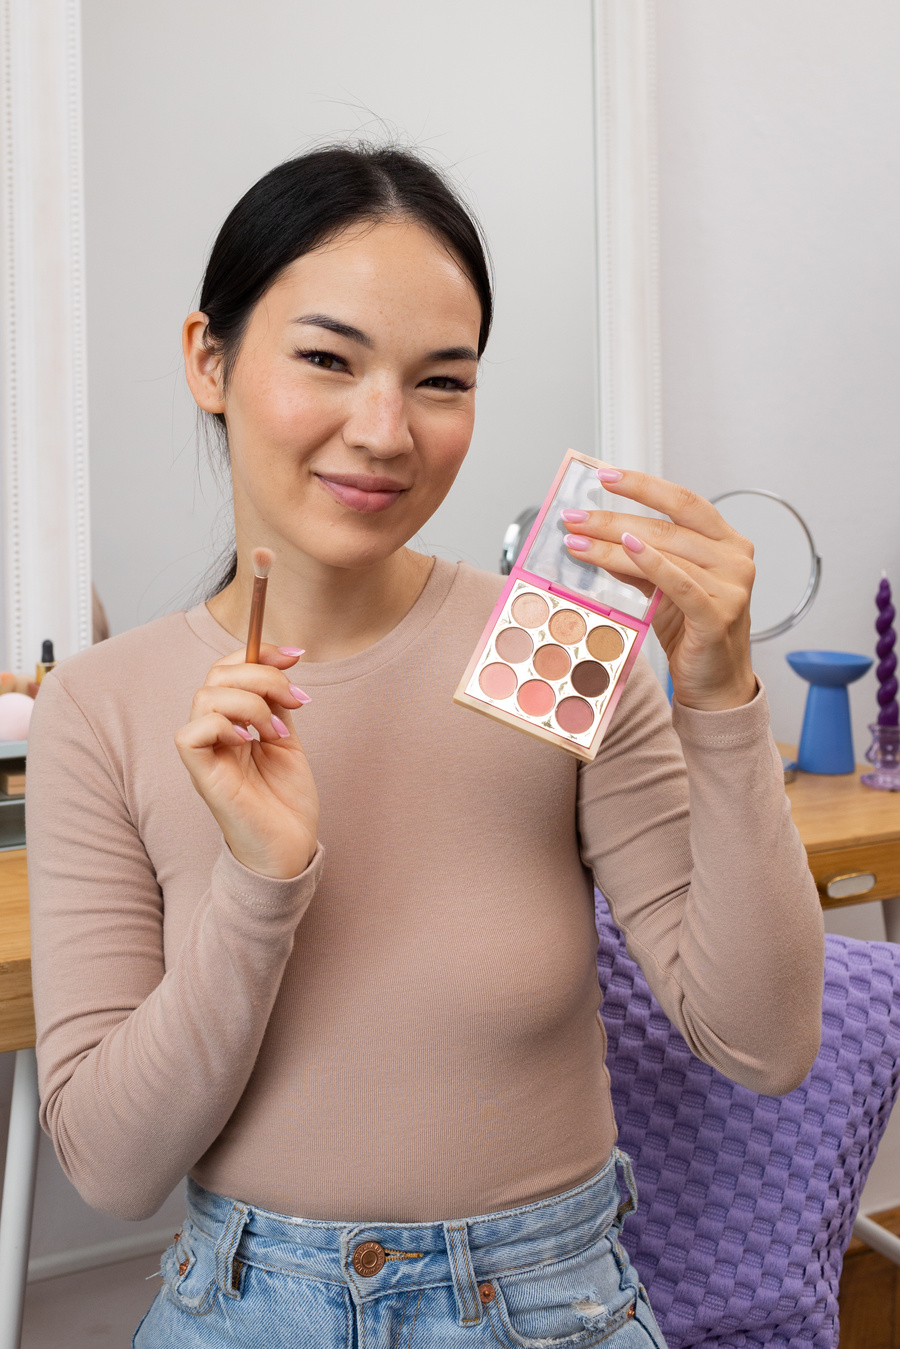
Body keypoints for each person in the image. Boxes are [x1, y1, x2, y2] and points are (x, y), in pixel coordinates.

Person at [26, 145, 825, 1349]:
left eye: (441, 381)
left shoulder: (550, 646)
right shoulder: (102, 703)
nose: (386, 430)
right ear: (210, 358)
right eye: (328, 360)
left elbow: (763, 1044)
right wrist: (260, 884)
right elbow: (111, 1168)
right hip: (240, 1310)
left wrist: (719, 695)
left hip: (549, 1306)